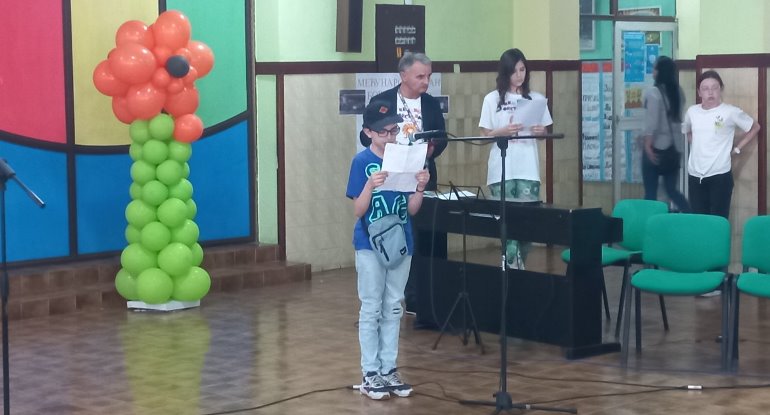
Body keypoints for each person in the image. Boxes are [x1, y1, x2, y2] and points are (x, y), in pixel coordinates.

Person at [346, 98, 430, 400]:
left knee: (394, 305)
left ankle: (389, 368)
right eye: (383, 132)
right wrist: (370, 185)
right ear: (368, 132)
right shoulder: (361, 162)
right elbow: (358, 210)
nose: (390, 136)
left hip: (401, 241)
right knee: (371, 306)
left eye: (394, 130)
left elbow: (412, 209)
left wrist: (420, 187)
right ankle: (370, 372)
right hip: (370, 243)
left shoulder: (404, 159)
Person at [359, 51, 447, 320]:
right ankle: (398, 296)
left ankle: (426, 298)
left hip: (421, 175)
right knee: (396, 233)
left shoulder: (430, 104)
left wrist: (431, 150)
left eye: (428, 76)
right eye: (420, 76)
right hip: (389, 177)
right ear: (403, 75)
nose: (426, 81)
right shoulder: (383, 101)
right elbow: (365, 137)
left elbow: (442, 137)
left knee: (425, 234)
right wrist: (388, 146)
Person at [478, 48, 552, 269]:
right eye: (514, 71)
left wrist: (541, 132)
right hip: (502, 169)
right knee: (507, 227)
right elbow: (483, 136)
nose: (519, 75)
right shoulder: (492, 99)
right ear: (505, 73)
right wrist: (503, 131)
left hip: (528, 169)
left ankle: (519, 270)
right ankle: (510, 272)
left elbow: (545, 133)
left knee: (527, 227)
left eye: (522, 70)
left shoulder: (536, 99)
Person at [682, 70, 760, 219]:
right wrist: (697, 145)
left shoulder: (730, 112)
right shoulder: (692, 112)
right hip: (695, 174)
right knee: (699, 219)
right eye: (705, 89)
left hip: (720, 175)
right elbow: (687, 131)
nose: (710, 92)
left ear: (721, 89)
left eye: (714, 87)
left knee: (719, 221)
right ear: (699, 92)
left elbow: (755, 127)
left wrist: (737, 149)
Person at [641, 56, 690, 212]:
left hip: (656, 148)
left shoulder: (653, 93)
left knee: (650, 193)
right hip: (674, 149)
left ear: (659, 72)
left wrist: (647, 144)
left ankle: (651, 221)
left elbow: (652, 123)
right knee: (671, 190)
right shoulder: (678, 92)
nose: (653, 71)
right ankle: (690, 214)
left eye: (655, 68)